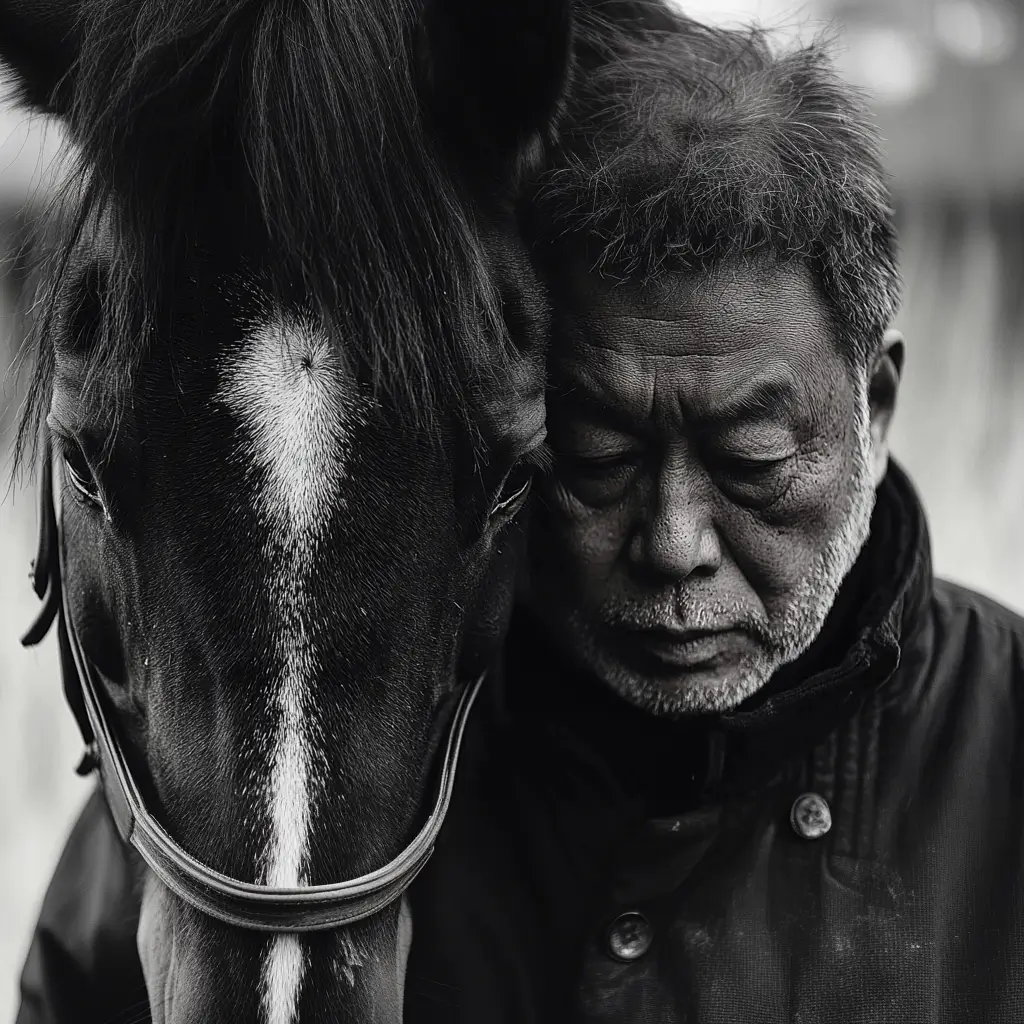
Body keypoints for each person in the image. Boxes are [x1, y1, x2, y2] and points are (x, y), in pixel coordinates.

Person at [17, 14, 1024, 1024]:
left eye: (753, 465)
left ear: (877, 406)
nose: (674, 546)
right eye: (594, 459)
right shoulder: (314, 755)